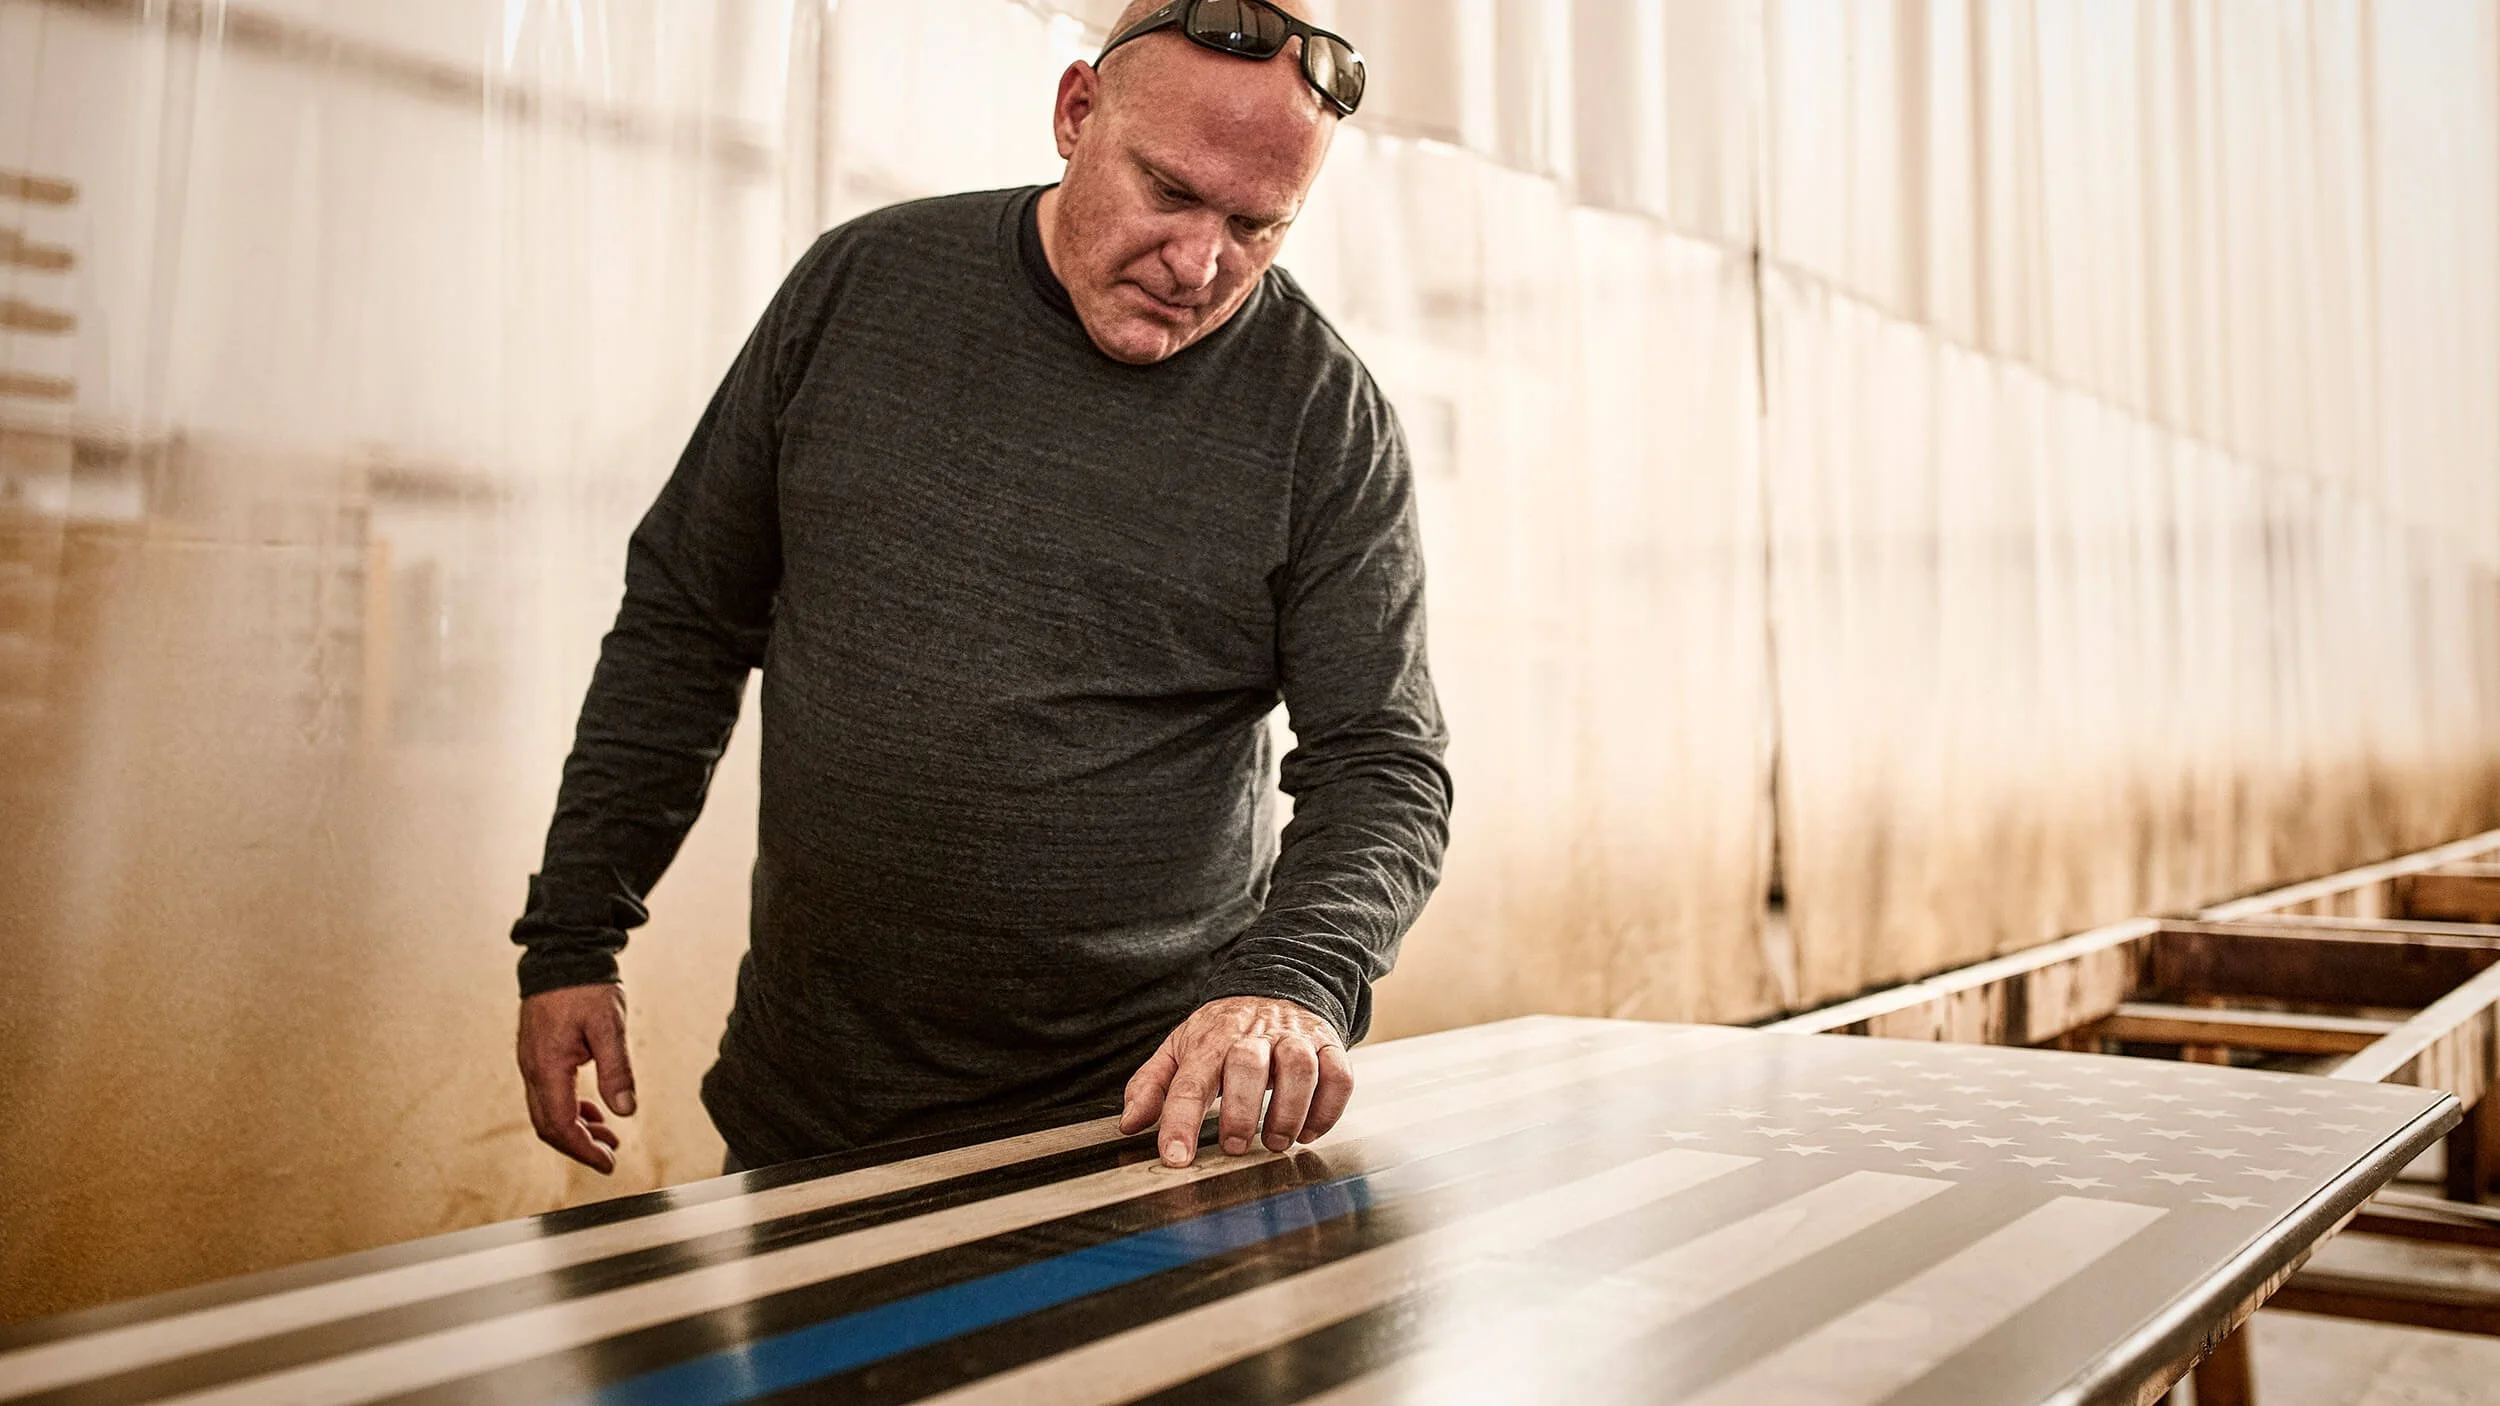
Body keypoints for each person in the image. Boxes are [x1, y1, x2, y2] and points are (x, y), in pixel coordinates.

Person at [509, 0, 1451, 1181]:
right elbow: (685, 622)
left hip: (1140, 1121)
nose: (1198, 263)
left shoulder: (1321, 417)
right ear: (1075, 114)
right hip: (810, 1101)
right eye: (1168, 191)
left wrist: (1289, 984)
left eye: (1257, 226)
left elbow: (1384, 761)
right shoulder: (861, 288)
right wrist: (571, 938)